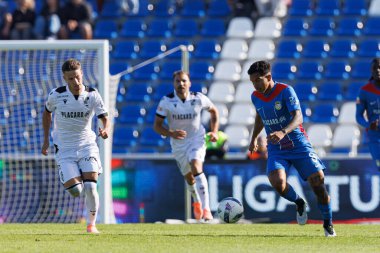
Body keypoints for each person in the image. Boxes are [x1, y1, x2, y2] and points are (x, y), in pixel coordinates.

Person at [247, 60, 336, 237]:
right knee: (278, 184)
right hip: (277, 148)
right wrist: (254, 138)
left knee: (318, 182)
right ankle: (299, 202)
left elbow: (299, 117)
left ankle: (328, 223)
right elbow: (260, 116)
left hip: (298, 144)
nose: (255, 85)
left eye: (258, 80)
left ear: (269, 77)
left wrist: (282, 131)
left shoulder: (285, 91)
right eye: (252, 82)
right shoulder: (255, 96)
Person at [41, 58, 110, 234]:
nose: (76, 82)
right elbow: (47, 114)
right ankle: (72, 174)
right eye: (71, 78)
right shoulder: (56, 95)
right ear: (65, 78)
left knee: (91, 186)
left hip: (87, 145)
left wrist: (105, 129)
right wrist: (46, 140)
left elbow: (104, 117)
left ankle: (91, 225)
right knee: (76, 191)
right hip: (65, 149)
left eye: (78, 77)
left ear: (82, 74)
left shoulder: (93, 94)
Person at [153, 70, 219, 221]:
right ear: (173, 83)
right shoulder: (166, 102)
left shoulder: (198, 98)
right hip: (178, 144)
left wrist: (214, 131)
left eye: (183, 81)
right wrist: (171, 133)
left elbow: (214, 111)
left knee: (196, 165)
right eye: (177, 81)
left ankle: (206, 209)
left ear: (189, 83)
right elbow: (157, 126)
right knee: (189, 178)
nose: (181, 84)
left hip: (197, 139)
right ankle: (196, 200)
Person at [356, 58, 380, 171]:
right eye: (375, 68)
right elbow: (358, 116)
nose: (378, 71)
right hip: (375, 138)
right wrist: (368, 125)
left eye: (379, 68)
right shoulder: (365, 91)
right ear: (371, 71)